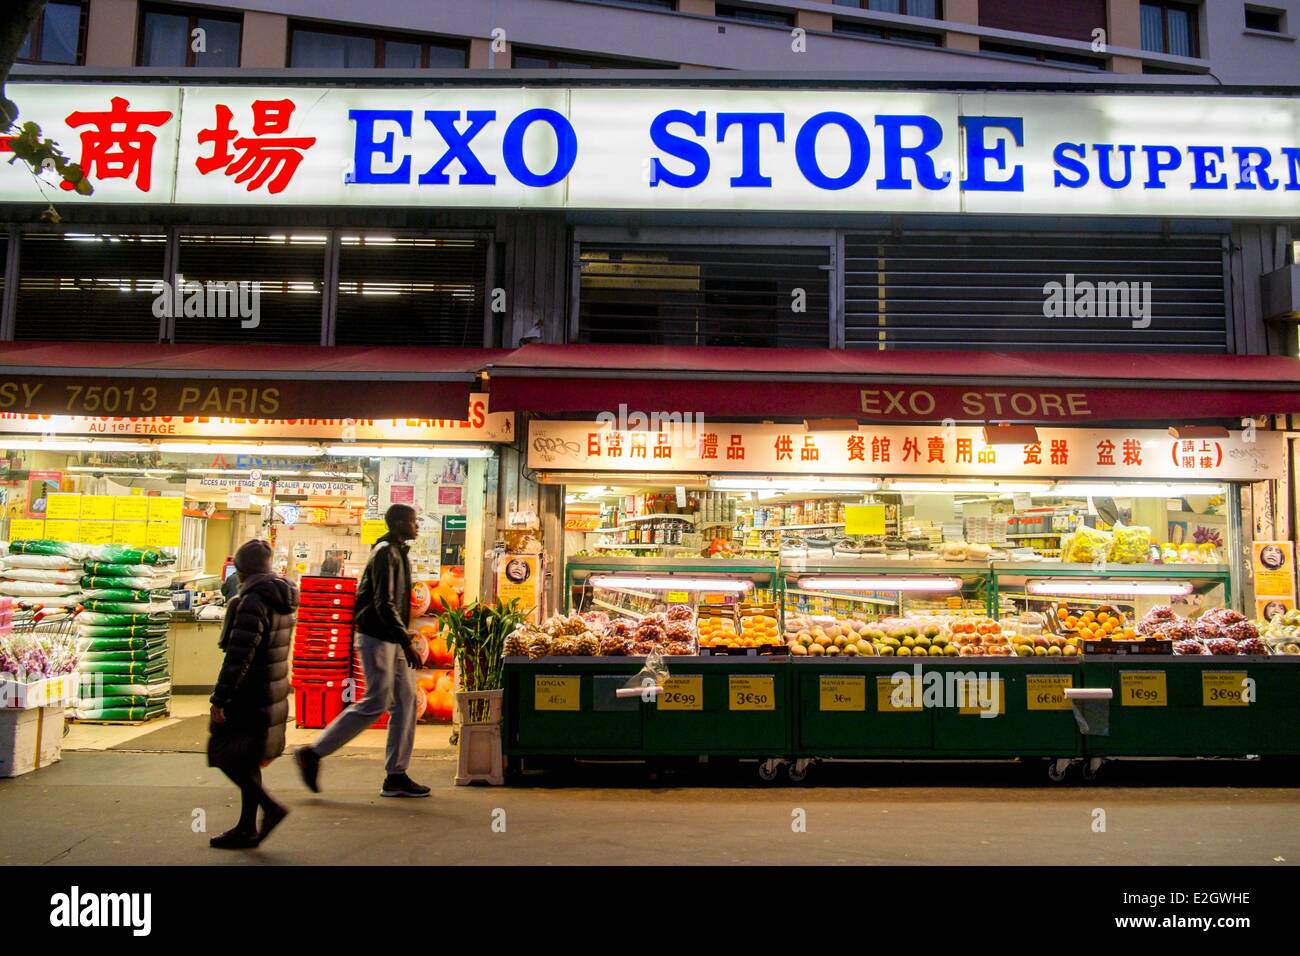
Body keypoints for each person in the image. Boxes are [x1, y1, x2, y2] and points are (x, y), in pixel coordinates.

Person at [295, 504, 429, 798]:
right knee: (376, 702)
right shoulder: (385, 552)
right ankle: (313, 753)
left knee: (406, 701)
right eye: (412, 521)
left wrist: (403, 638)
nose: (416, 526)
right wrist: (406, 641)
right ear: (397, 524)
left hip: (391, 637)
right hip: (376, 637)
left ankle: (396, 775)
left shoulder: (397, 552)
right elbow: (384, 603)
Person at [208, 539, 297, 849]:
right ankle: (246, 827)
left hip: (249, 695)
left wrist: (220, 699)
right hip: (271, 692)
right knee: (246, 760)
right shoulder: (281, 598)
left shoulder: (251, 601)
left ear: (242, 571)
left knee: (223, 754)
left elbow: (238, 656)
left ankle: (270, 808)